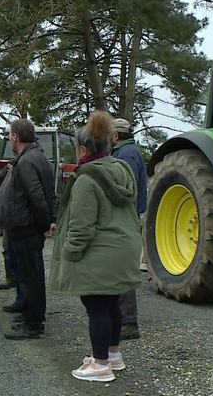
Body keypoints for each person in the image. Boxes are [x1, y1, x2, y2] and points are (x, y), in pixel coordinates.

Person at [49, 110, 142, 382]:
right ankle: (113, 355)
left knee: (96, 307)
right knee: (110, 303)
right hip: (123, 249)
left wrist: (71, 251)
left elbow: (81, 225)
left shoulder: (86, 179)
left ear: (81, 148)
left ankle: (100, 365)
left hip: (100, 252)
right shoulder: (122, 170)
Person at [0, 118, 56, 340]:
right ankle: (30, 314)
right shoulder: (36, 156)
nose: (10, 139)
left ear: (15, 137)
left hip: (26, 227)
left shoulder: (27, 161)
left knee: (31, 277)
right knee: (30, 275)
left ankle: (33, 324)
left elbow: (37, 197)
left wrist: (43, 224)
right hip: (26, 227)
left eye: (11, 135)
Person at [111, 117, 147, 340]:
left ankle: (128, 323)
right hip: (127, 217)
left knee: (122, 270)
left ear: (115, 136)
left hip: (126, 218)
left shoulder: (126, 155)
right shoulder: (125, 152)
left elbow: (126, 191)